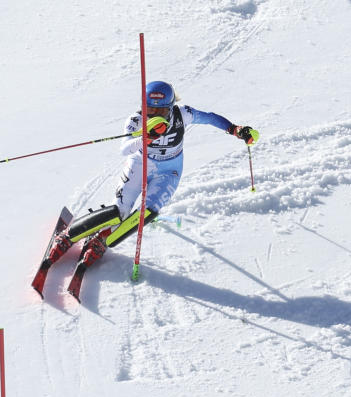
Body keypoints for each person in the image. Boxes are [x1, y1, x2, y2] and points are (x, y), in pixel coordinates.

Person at [46, 80, 258, 270]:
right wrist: (145, 138)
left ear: (171, 107)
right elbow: (124, 149)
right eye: (150, 110)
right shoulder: (136, 120)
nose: (155, 116)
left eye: (161, 111)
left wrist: (234, 129)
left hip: (169, 171)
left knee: (147, 213)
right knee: (118, 211)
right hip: (140, 165)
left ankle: (102, 241)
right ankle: (67, 237)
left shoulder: (182, 114)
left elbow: (209, 118)